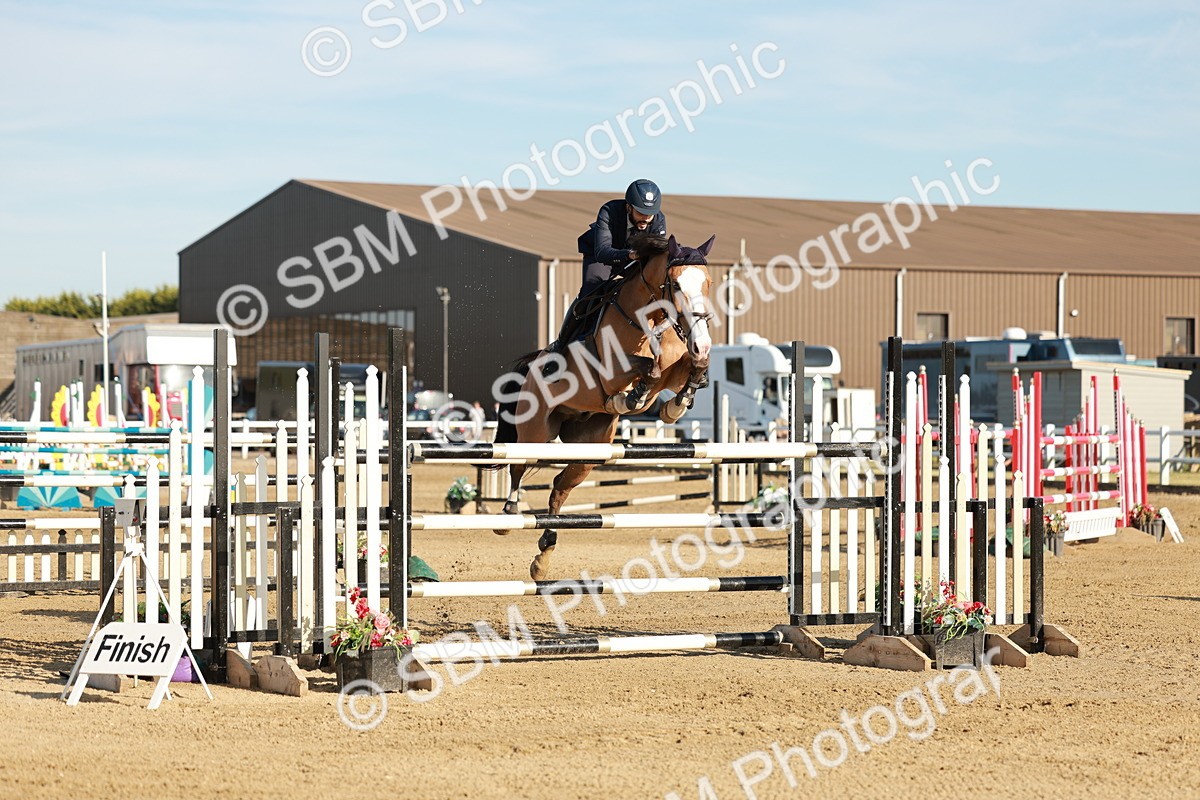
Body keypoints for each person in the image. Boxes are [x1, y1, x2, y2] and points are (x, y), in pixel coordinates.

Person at [545, 180, 668, 357]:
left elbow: (656, 257)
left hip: (632, 260)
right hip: (601, 257)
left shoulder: (658, 220)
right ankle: (561, 343)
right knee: (590, 291)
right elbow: (602, 252)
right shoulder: (609, 211)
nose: (646, 219)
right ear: (628, 207)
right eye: (641, 213)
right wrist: (629, 255)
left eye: (650, 214)